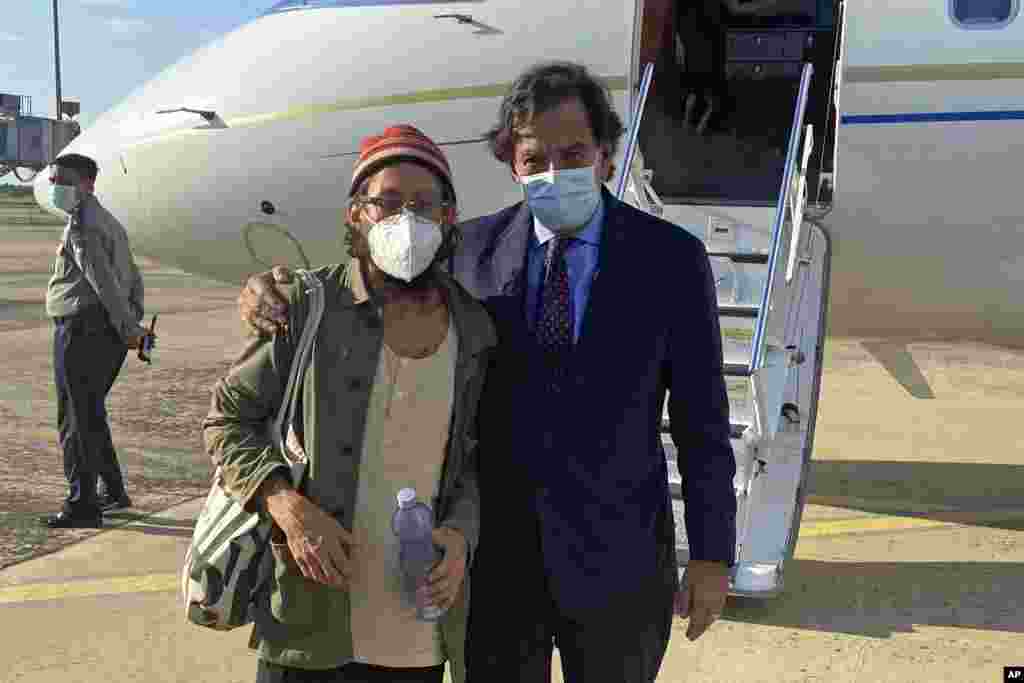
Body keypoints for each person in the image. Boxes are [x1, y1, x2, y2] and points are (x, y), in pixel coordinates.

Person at [238, 62, 736, 681]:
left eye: (574, 153)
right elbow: (369, 282)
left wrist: (713, 557)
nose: (555, 172)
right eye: (535, 159)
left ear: (607, 155)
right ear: (512, 164)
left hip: (620, 566)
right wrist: (270, 289)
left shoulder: (670, 260)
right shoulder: (467, 251)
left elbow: (703, 421)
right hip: (495, 571)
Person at [203, 125, 493, 683]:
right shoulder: (306, 309)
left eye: (423, 204)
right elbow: (227, 421)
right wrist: (286, 506)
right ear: (355, 214)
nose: (404, 219)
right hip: (311, 623)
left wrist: (459, 537)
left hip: (416, 628)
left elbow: (474, 461)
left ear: (448, 218)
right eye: (385, 202)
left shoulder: (474, 332)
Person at [41, 153, 148, 529]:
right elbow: (133, 280)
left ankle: (82, 505)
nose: (56, 188)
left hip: (82, 331)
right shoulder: (110, 222)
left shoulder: (83, 226)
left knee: (74, 420)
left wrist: (130, 330)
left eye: (64, 181)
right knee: (90, 415)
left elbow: (104, 283)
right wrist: (131, 324)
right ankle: (113, 492)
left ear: (87, 184)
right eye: (54, 180)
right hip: (104, 332)